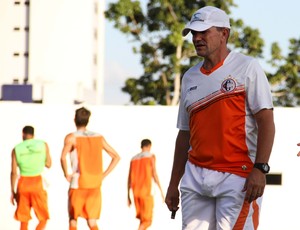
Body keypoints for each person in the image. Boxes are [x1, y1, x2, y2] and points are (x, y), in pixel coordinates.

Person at [165, 6, 275, 230]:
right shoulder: (189, 77)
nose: (197, 38)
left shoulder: (248, 67)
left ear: (224, 33)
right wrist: (173, 184)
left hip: (238, 177)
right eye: (194, 33)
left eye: (204, 32)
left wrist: (260, 168)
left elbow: (266, 122)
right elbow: (184, 135)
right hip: (195, 177)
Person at [60, 107, 120, 230]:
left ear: (74, 119)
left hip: (78, 183)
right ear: (88, 120)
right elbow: (116, 157)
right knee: (92, 221)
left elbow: (62, 157)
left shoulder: (71, 137)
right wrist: (103, 175)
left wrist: (66, 173)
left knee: (73, 219)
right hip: (95, 183)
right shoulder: (99, 137)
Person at [10, 125, 52, 230]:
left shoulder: (16, 149)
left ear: (23, 134)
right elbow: (48, 164)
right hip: (37, 182)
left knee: (24, 219)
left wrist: (13, 191)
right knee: (43, 218)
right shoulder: (43, 145)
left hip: (23, 183)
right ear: (33, 135)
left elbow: (14, 172)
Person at [127, 139, 164, 230]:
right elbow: (154, 173)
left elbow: (129, 178)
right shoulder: (151, 156)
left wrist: (128, 195)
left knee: (142, 220)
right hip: (146, 192)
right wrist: (161, 191)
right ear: (149, 146)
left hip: (136, 193)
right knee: (147, 221)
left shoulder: (133, 159)